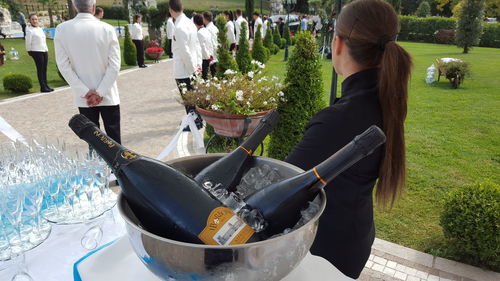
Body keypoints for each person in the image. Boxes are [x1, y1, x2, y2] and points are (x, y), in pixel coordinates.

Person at [285, 0, 412, 279]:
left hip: (326, 253)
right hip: (354, 235)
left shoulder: (340, 119)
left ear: (338, 44)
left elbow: (283, 188)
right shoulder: (383, 100)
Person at [55, 0, 122, 144]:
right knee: (115, 140)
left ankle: (96, 166)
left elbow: (63, 66)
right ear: (93, 7)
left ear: (74, 6)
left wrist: (84, 91)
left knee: (94, 142)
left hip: (84, 98)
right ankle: (119, 167)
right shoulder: (107, 29)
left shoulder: (62, 29)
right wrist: (101, 91)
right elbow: (115, 65)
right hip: (108, 92)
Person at [169, 0, 203, 131]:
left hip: (184, 69)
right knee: (192, 96)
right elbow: (196, 47)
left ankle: (194, 123)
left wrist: (192, 70)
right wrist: (197, 65)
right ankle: (196, 120)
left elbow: (185, 52)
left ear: (171, 10)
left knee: (188, 98)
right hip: (191, 65)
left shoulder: (179, 27)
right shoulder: (190, 23)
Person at [25, 13, 53, 93]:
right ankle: (43, 87)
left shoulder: (40, 29)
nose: (34, 21)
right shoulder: (29, 30)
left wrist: (46, 50)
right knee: (40, 69)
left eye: (36, 19)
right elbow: (28, 42)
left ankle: (46, 85)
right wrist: (29, 51)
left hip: (44, 50)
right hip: (36, 51)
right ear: (29, 21)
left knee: (44, 69)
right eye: (32, 19)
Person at [193, 14, 213, 80]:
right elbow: (210, 44)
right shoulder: (206, 30)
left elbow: (202, 47)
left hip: (204, 59)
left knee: (204, 78)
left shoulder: (199, 33)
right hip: (208, 56)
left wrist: (208, 58)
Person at [203, 11, 218, 77]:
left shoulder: (207, 29)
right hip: (216, 54)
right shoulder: (215, 28)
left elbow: (209, 44)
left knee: (211, 75)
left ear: (205, 19)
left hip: (211, 56)